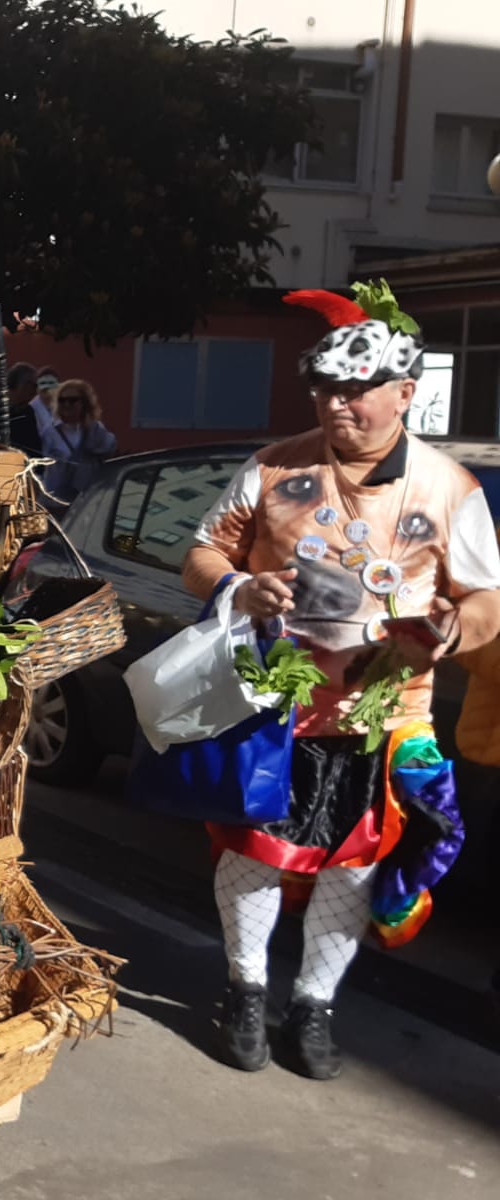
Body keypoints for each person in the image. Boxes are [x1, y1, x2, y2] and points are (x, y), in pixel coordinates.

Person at [183, 283, 500, 1079]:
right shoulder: (273, 467)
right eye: (326, 389)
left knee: (355, 866)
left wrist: (449, 632)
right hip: (273, 709)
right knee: (253, 855)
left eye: (358, 392)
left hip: (388, 714)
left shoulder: (450, 489)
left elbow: (488, 598)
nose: (338, 406)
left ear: (405, 392)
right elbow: (200, 555)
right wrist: (236, 588)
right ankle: (246, 991)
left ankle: (314, 1006)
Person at [38, 377, 116, 507]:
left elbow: (110, 449)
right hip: (56, 500)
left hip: (87, 500)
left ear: (84, 403)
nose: (67, 405)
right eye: (62, 401)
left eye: (72, 400)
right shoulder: (50, 431)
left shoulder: (96, 429)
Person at [6, 363, 42, 455]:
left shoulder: (29, 411)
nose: (35, 390)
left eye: (36, 385)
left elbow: (34, 447)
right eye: (31, 384)